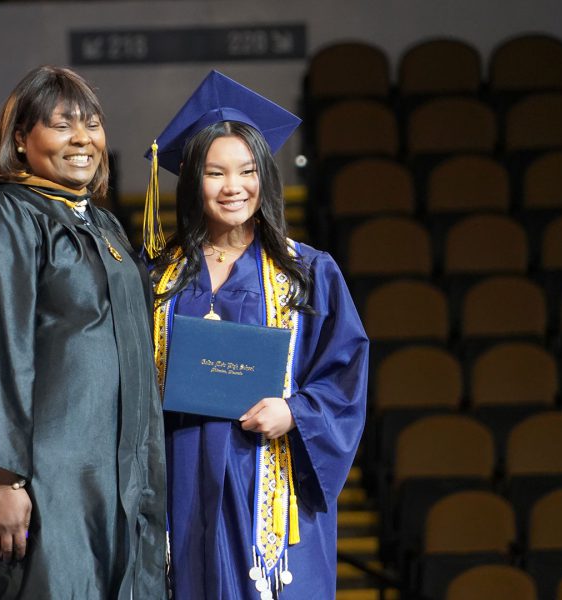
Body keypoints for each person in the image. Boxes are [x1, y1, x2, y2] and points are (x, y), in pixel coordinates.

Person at [0, 66, 167, 600]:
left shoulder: (103, 223)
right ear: (20, 140)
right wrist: (1, 481)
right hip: (44, 480)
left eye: (91, 124)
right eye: (61, 124)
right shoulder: (0, 213)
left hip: (114, 478)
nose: (83, 139)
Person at [146, 71, 368, 600]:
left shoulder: (307, 272)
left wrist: (294, 412)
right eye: (215, 173)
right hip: (182, 479)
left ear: (265, 178)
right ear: (192, 181)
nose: (233, 187)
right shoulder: (157, 278)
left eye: (247, 171)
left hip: (269, 476)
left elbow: (345, 375)